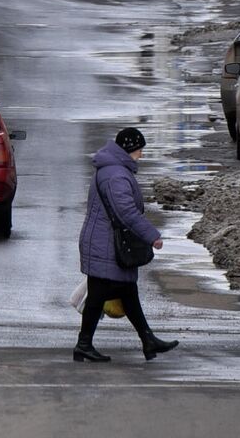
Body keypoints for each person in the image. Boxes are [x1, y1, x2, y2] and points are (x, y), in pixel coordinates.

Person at [75, 127, 179, 363]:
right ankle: (84, 344)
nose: (141, 155)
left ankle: (148, 340)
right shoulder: (116, 175)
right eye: (139, 150)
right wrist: (152, 235)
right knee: (98, 296)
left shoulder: (114, 169)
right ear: (130, 149)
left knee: (126, 291)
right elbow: (127, 212)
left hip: (105, 242)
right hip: (105, 244)